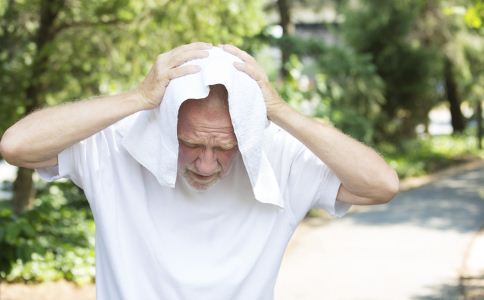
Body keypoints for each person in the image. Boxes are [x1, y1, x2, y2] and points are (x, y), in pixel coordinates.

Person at [0, 42, 399, 299]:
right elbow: (16, 146)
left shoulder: (278, 158)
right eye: (190, 143)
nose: (206, 164)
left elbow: (380, 184)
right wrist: (137, 98)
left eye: (225, 147)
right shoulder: (117, 145)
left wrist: (279, 111)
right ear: (165, 123)